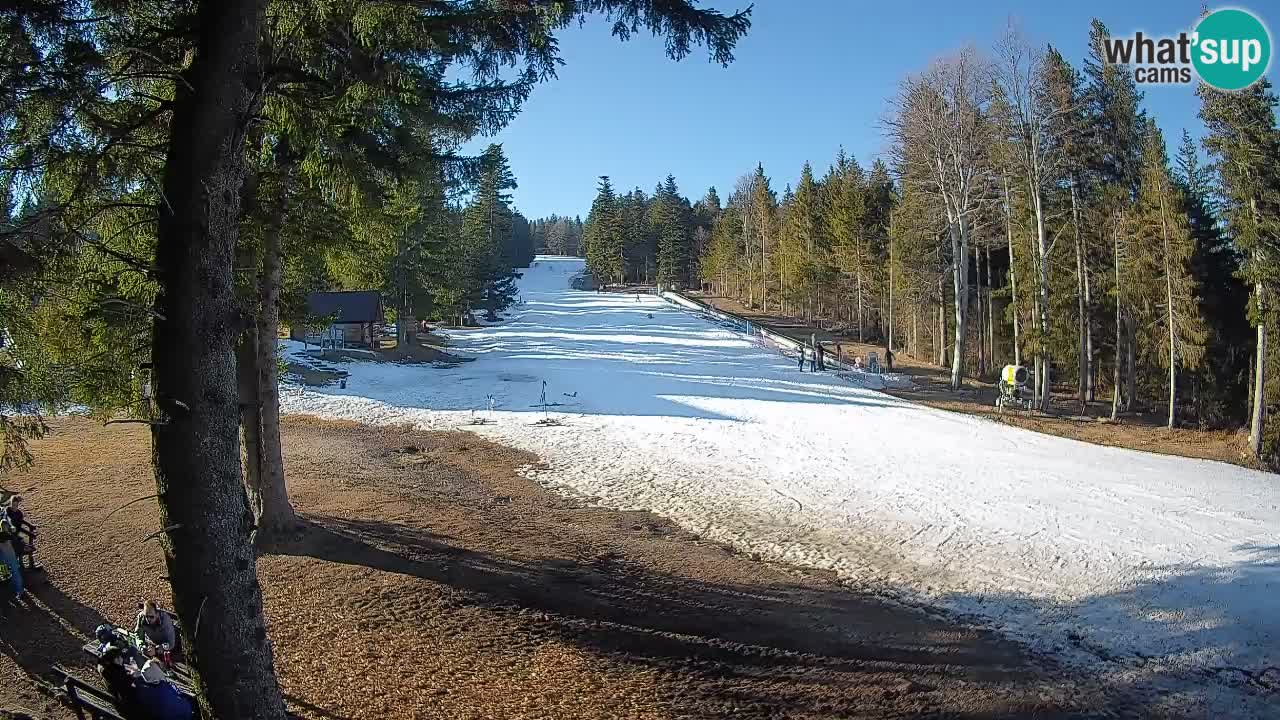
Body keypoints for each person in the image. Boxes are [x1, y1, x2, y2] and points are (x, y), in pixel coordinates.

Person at [97, 644, 149, 719]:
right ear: (115, 659)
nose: (122, 659)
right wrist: (133, 676)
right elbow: (130, 687)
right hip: (130, 709)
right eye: (120, 657)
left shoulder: (106, 669)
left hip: (119, 704)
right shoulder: (117, 674)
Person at [3, 495, 35, 571]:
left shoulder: (19, 513)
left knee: (23, 542)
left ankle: (30, 564)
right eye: (13, 505)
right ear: (10, 504)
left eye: (16, 505)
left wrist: (30, 528)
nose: (14, 507)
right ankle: (21, 565)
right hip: (8, 534)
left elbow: (20, 525)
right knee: (19, 544)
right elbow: (9, 519)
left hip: (16, 534)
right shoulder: (8, 510)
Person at [0, 512, 21, 599]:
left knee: (15, 572)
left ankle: (19, 591)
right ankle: (6, 578)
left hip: (9, 554)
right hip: (4, 554)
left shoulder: (5, 535)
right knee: (8, 569)